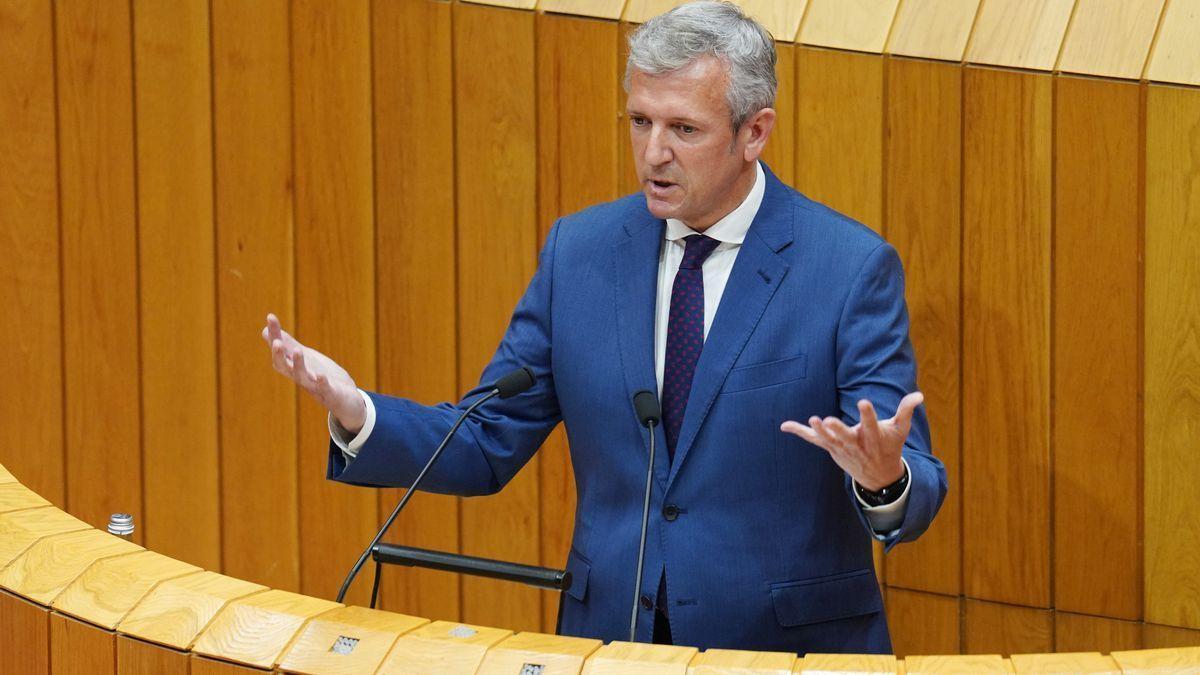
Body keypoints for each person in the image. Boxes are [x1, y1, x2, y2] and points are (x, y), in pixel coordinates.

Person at [263, 1, 946, 655]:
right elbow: (486, 438)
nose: (654, 153)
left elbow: (912, 476)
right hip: (613, 643)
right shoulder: (580, 254)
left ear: (754, 132)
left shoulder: (846, 267)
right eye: (640, 121)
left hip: (784, 649)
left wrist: (884, 480)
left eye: (684, 129)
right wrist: (358, 413)